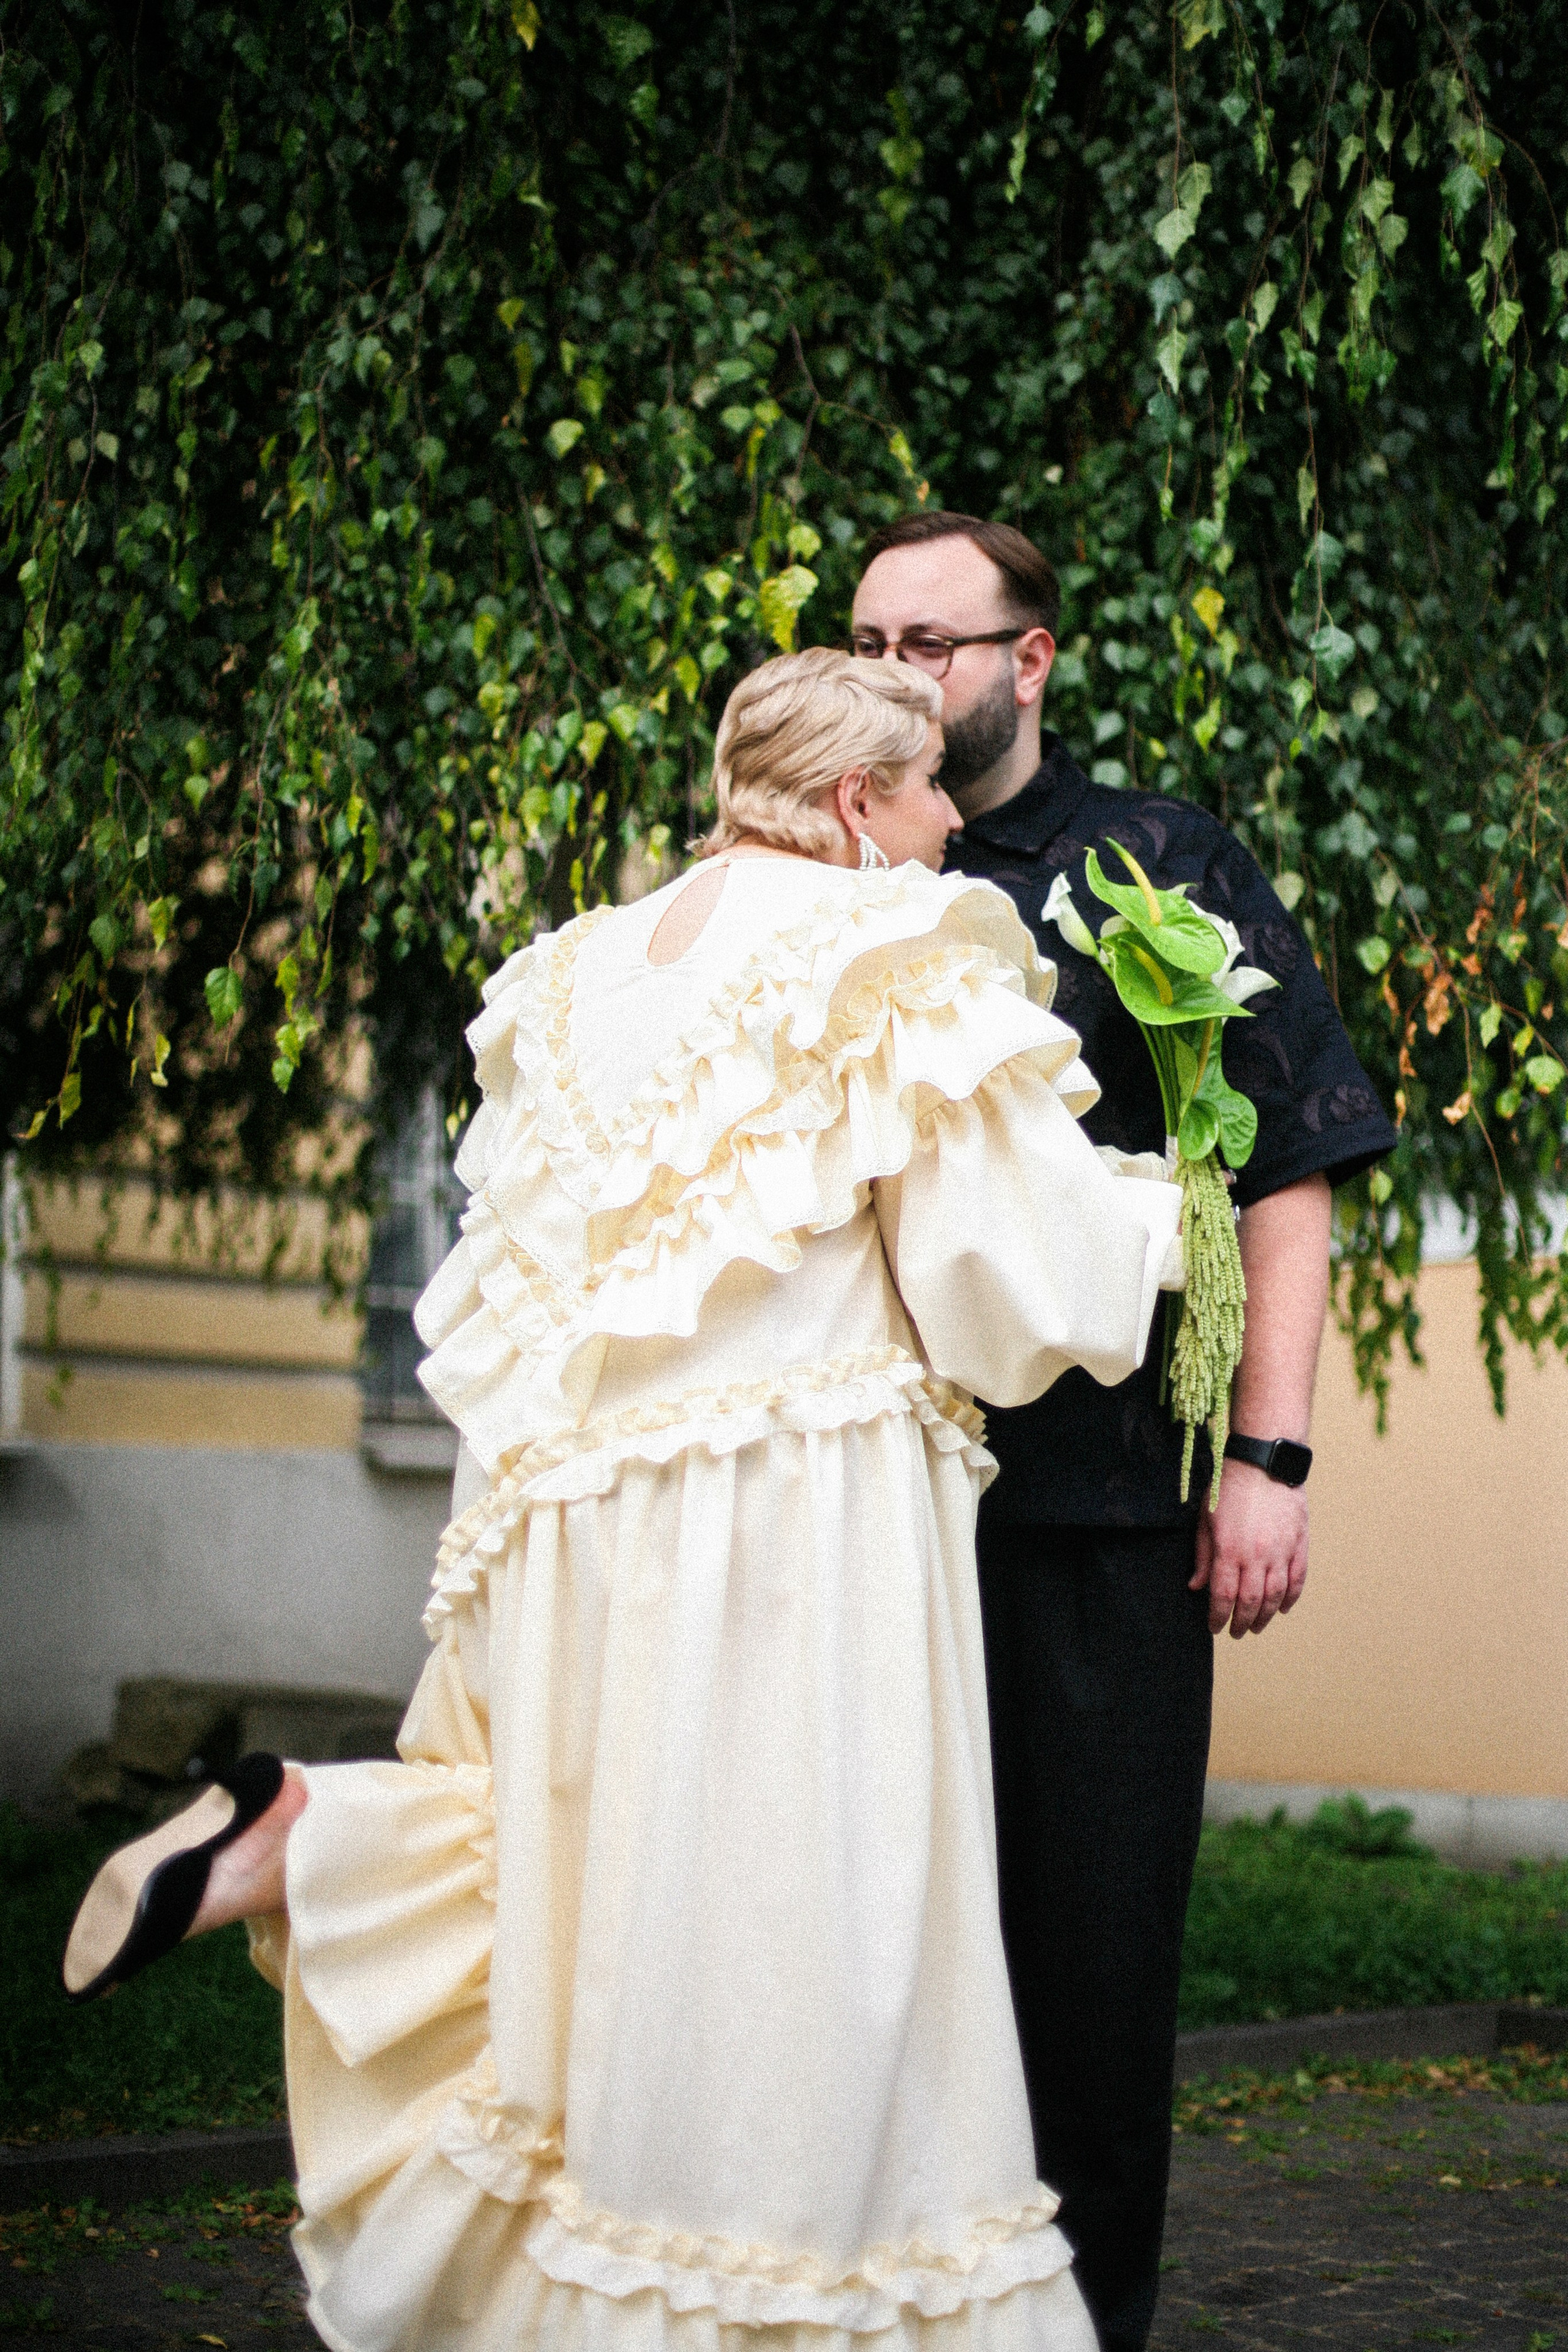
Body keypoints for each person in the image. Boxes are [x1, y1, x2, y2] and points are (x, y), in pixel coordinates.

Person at [63, 648, 1190, 2352]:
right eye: (932, 789)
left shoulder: (577, 977)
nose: (960, 819)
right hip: (799, 1527)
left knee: (581, 1899)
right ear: (851, 805)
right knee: (804, 1945)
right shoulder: (892, 951)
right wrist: (1176, 1209)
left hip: (571, 1532)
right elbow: (1007, 1288)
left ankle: (317, 1833)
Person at [850, 514, 1399, 2352]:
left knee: (1085, 1976)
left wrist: (1272, 1458)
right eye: (872, 642)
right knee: (865, 1966)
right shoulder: (825, 880)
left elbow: (1291, 1177)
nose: (904, 674)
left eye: (938, 640)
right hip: (857, 1507)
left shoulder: (1156, 861)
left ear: (1034, 657)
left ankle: (1082, 2328)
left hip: (1102, 1518)